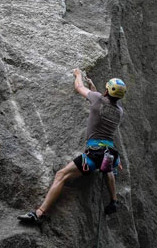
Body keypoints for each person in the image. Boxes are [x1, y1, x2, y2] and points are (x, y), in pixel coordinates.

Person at [17, 68, 126, 225]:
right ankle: (113, 199)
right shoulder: (119, 111)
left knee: (61, 175)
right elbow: (100, 104)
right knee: (107, 168)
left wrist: (78, 75)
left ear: (107, 90)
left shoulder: (97, 100)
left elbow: (79, 88)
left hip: (93, 157)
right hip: (110, 155)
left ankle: (39, 214)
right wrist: (93, 89)